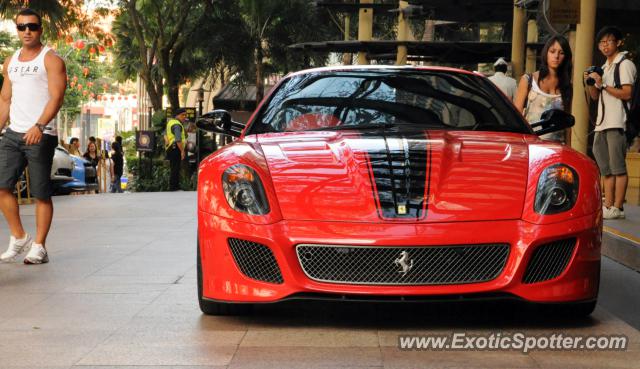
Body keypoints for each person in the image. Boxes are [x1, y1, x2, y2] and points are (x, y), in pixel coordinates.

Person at [0, 8, 67, 264]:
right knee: (1, 185)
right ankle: (18, 236)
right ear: (17, 30)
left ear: (40, 29)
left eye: (32, 26)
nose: (27, 31)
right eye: (21, 27)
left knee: (40, 193)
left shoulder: (51, 59)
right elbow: (5, 99)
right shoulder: (11, 61)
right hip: (14, 133)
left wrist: (39, 125)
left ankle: (39, 246)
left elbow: (56, 97)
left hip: (41, 133)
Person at [585, 26, 637, 220]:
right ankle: (608, 205)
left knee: (618, 167)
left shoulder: (625, 64)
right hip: (602, 123)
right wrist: (591, 83)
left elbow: (627, 93)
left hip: (617, 122)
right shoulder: (604, 67)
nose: (605, 45)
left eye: (609, 41)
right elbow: (595, 96)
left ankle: (618, 207)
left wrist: (604, 84)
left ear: (618, 43)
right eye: (601, 42)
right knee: (605, 168)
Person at [514, 35, 573, 144]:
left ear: (566, 57)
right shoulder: (528, 80)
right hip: (532, 144)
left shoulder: (567, 86)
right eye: (552, 51)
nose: (556, 56)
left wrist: (569, 149)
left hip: (558, 147)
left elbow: (567, 125)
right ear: (546, 53)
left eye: (561, 53)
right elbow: (516, 117)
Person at [165, 108, 187, 191]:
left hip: (171, 148)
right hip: (176, 148)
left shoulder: (170, 122)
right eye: (183, 115)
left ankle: (173, 186)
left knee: (174, 167)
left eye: (185, 115)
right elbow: (178, 139)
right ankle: (174, 187)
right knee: (176, 168)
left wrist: (166, 141)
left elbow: (165, 134)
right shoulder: (177, 125)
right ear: (177, 115)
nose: (184, 117)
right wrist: (182, 151)